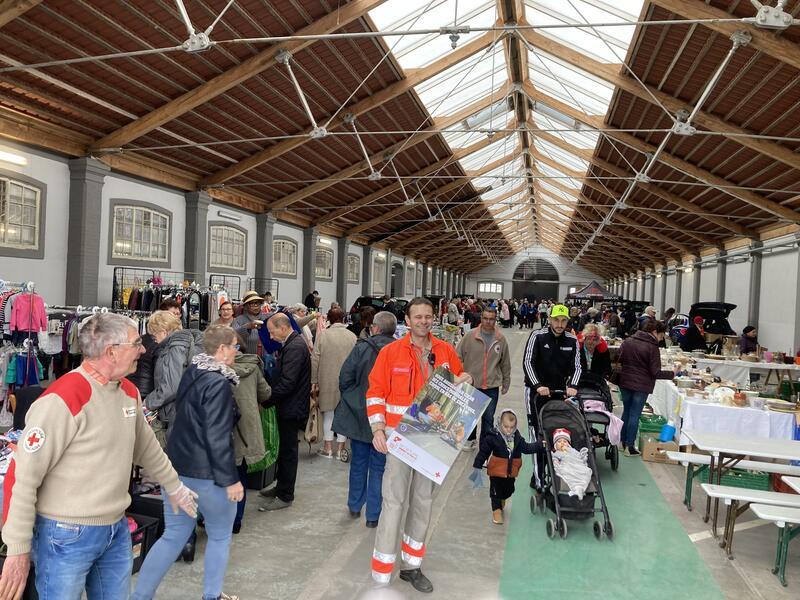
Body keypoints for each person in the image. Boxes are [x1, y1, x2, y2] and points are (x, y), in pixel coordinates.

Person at [0, 313, 197, 600]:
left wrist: (174, 486)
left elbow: (146, 447)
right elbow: (24, 477)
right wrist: (17, 551)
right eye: (136, 343)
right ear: (111, 351)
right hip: (65, 536)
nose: (143, 350)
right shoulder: (63, 399)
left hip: (116, 529)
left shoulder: (128, 392)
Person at [131, 325, 243, 600]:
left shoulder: (192, 373)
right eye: (235, 347)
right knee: (219, 536)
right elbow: (217, 436)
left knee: (173, 537)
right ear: (221, 350)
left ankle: (140, 596)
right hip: (209, 476)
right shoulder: (218, 383)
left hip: (180, 471)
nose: (237, 352)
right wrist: (230, 479)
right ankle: (212, 595)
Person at [367, 298, 471, 592]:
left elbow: (460, 383)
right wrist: (378, 428)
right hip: (398, 436)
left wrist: (465, 379)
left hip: (433, 436)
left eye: (428, 317)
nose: (424, 321)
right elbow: (375, 392)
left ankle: (411, 566)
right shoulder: (390, 353)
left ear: (433, 319)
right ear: (408, 321)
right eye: (418, 317)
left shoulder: (446, 351)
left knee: (423, 502)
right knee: (394, 501)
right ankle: (382, 571)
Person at [333, 311, 397, 528]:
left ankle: (354, 505)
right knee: (379, 466)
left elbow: (345, 378)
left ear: (376, 328)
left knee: (359, 462)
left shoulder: (362, 348)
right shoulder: (400, 350)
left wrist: (355, 399)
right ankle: (373, 515)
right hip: (388, 416)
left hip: (361, 414)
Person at [522, 303, 581, 491]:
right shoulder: (537, 336)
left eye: (563, 321)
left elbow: (577, 367)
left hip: (560, 394)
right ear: (549, 319)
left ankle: (558, 473)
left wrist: (572, 386)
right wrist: (538, 386)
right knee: (539, 435)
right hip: (536, 394)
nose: (560, 324)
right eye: (556, 320)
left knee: (559, 434)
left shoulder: (572, 341)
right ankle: (539, 480)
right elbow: (528, 362)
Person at [259, 313, 310, 511]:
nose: (270, 337)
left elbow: (288, 383)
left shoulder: (295, 347)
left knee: (289, 451)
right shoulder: (291, 344)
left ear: (282, 328)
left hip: (291, 408)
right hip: (288, 406)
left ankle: (285, 495)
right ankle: (281, 486)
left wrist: (267, 400)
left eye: (272, 332)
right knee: (284, 449)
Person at [469, 410, 543, 524]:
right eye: (506, 426)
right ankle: (496, 510)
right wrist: (477, 466)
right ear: (500, 423)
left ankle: (503, 498)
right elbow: (483, 453)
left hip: (510, 471)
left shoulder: (517, 439)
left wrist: (540, 445)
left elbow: (527, 448)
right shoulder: (493, 437)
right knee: (495, 492)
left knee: (509, 490)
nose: (509, 430)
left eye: (512, 427)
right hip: (496, 470)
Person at [456, 306, 511, 449]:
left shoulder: (500, 339)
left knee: (488, 418)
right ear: (481, 318)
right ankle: (470, 439)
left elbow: (505, 363)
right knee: (469, 416)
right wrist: (459, 376)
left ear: (495, 320)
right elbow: (457, 356)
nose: (488, 322)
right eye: (485, 318)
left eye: (491, 319)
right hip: (472, 385)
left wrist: (506, 382)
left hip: (491, 386)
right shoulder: (470, 336)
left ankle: (485, 445)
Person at [618, 320, 676, 456]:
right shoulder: (652, 347)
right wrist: (673, 373)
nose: (661, 339)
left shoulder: (629, 340)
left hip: (625, 381)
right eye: (661, 336)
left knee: (626, 411)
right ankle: (630, 446)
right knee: (634, 414)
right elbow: (655, 372)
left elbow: (618, 358)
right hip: (641, 385)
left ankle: (621, 442)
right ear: (655, 332)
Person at [145, 311, 203, 444]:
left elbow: (172, 385)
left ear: (164, 331)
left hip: (178, 414)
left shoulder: (176, 347)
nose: (153, 339)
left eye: (154, 334)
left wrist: (148, 402)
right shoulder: (188, 343)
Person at [230, 350, 271, 533]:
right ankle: (236, 520)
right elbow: (266, 393)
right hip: (247, 427)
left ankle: (210, 518)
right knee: (240, 475)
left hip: (224, 429)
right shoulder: (253, 368)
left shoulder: (214, 368)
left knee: (218, 476)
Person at [312, 307, 357, 459]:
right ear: (344, 318)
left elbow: (315, 359)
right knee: (343, 416)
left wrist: (314, 381)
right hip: (348, 382)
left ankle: (327, 448)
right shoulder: (352, 336)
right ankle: (341, 449)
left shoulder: (323, 336)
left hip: (327, 380)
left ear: (329, 319)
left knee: (329, 414)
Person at [234, 291, 265, 356]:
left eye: (257, 303)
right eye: (252, 303)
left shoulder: (267, 318)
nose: (256, 305)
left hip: (267, 361)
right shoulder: (239, 320)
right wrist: (247, 327)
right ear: (245, 306)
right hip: (248, 361)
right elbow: (233, 337)